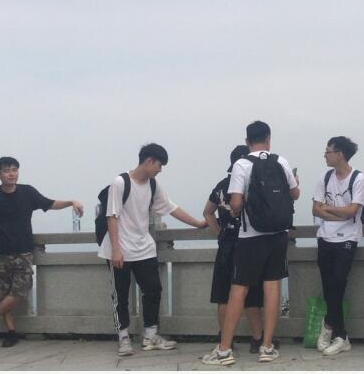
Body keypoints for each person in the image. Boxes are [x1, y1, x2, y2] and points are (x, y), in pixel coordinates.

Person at [202, 121, 300, 366]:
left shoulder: (242, 164)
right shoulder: (281, 161)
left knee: (239, 289)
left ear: (247, 141)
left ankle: (224, 350)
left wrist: (237, 211)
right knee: (272, 288)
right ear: (269, 138)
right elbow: (295, 193)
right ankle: (267, 347)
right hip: (278, 234)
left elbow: (235, 202)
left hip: (251, 236)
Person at [99, 143, 208, 357]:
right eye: (159, 165)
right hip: (120, 249)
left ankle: (150, 335)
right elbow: (112, 216)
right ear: (149, 161)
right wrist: (116, 250)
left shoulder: (153, 185)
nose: (160, 170)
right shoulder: (120, 182)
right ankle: (123, 337)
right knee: (120, 295)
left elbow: (171, 207)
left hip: (144, 248)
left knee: (153, 290)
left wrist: (197, 223)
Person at [0, 157, 84, 348]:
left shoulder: (27, 192)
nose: (11, 174)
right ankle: (11, 333)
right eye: (6, 170)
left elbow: (50, 203)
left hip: (23, 250)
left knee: (21, 290)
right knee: (5, 294)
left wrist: (71, 202)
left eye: (14, 169)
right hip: (0, 251)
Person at [202, 145, 265, 353]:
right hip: (249, 243)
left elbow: (207, 212)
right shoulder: (251, 184)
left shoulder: (222, 186)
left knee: (223, 294)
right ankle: (257, 339)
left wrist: (220, 233)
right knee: (252, 294)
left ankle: (225, 339)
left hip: (226, 245)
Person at [312, 136, 364, 356]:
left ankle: (330, 327)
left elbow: (353, 211)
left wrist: (329, 209)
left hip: (348, 239)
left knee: (338, 282)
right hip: (325, 238)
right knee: (328, 286)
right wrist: (339, 214)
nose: (325, 155)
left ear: (340, 154)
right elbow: (316, 209)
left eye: (328, 151)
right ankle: (341, 336)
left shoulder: (358, 179)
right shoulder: (325, 177)